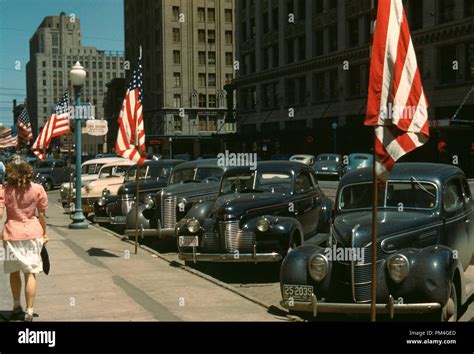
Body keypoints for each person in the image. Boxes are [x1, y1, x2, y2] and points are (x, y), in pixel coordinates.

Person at [0, 155, 48, 321]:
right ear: (28, 171)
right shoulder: (37, 189)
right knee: (30, 273)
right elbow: (42, 215)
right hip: (33, 234)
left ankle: (16, 305)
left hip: (11, 234)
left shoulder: (4, 190)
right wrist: (44, 233)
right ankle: (29, 311)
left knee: (14, 272)